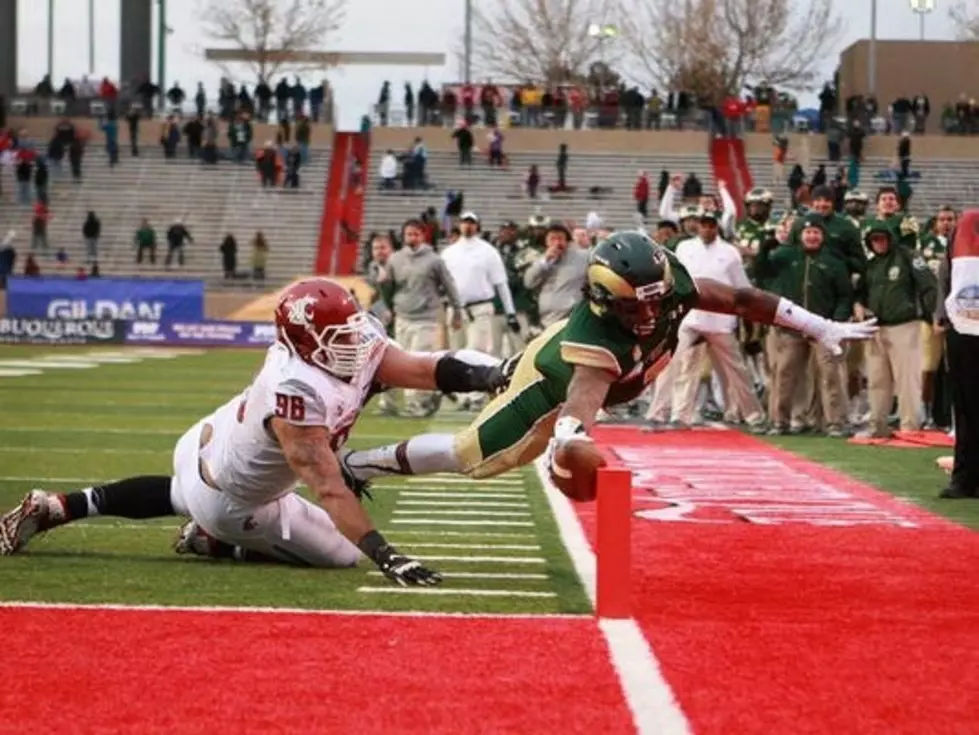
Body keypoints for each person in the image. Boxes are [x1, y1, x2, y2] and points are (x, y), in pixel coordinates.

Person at [0, 278, 507, 586]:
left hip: (206, 444)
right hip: (235, 502)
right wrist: (386, 554)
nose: (355, 342)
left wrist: (487, 377)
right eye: (338, 337)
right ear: (305, 343)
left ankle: (60, 507)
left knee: (185, 491)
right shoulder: (296, 391)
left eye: (353, 329)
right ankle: (215, 542)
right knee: (342, 552)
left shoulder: (341, 345)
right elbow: (328, 487)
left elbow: (420, 369)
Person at [339, 231, 877, 486]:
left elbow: (739, 299)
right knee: (469, 455)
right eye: (630, 307)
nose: (649, 316)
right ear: (601, 301)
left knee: (558, 460)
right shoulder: (596, 336)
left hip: (574, 373)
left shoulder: (668, 285)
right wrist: (568, 438)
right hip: (550, 383)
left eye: (654, 302)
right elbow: (584, 395)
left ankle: (443, 372)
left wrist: (816, 324)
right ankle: (358, 465)